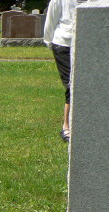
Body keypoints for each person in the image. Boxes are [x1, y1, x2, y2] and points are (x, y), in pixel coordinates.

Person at [44, 0, 85, 143]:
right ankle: (66, 126)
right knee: (71, 85)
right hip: (64, 45)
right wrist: (49, 41)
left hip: (88, 44)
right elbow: (51, 20)